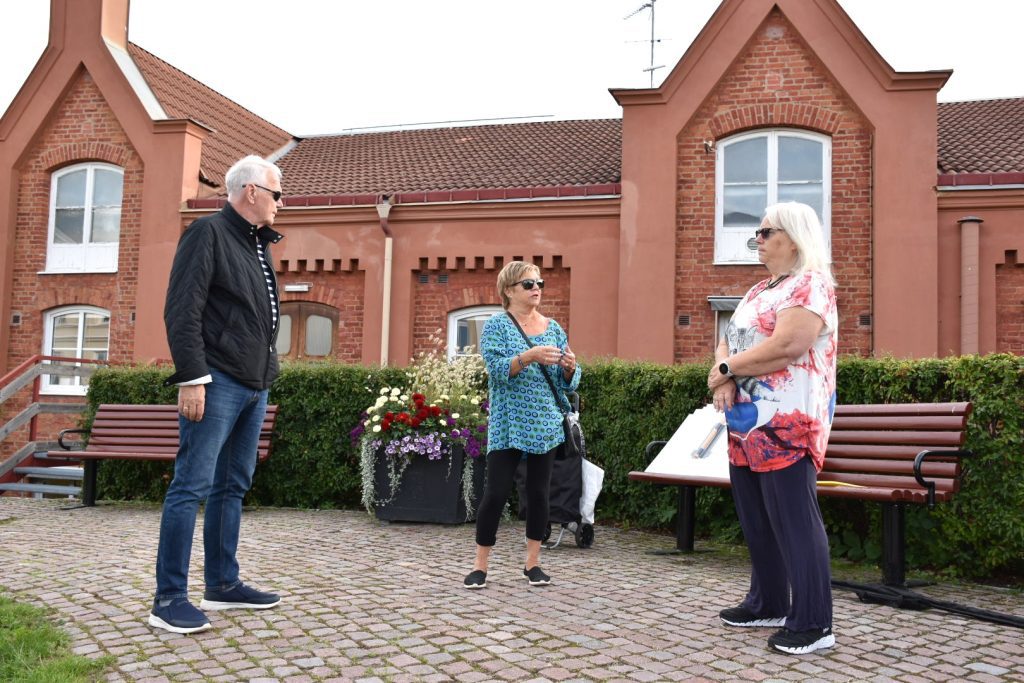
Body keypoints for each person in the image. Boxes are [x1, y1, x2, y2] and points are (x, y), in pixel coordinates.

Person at [149, 155, 286, 634]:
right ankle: (168, 599)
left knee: (233, 487)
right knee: (191, 486)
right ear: (251, 191)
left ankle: (223, 584)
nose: (280, 204)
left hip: (254, 384)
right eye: (276, 194)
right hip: (218, 381)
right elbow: (181, 309)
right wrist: (192, 377)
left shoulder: (255, 244)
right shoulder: (207, 233)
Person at [707, 201, 838, 655]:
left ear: (794, 235)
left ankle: (815, 622)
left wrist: (724, 368)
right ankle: (767, 603)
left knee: (795, 521)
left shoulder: (811, 285)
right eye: (756, 235)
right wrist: (721, 372)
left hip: (788, 422)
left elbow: (788, 345)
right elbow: (728, 337)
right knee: (757, 518)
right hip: (745, 423)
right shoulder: (757, 290)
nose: (757, 241)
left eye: (764, 233)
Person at [464, 261, 581, 589]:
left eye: (539, 282)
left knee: (539, 494)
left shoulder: (554, 328)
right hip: (509, 424)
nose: (536, 288)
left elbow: (566, 382)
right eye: (528, 284)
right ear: (508, 291)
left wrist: (571, 368)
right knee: (496, 494)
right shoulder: (497, 326)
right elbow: (497, 369)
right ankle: (480, 566)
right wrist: (529, 356)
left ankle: (533, 563)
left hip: (545, 423)